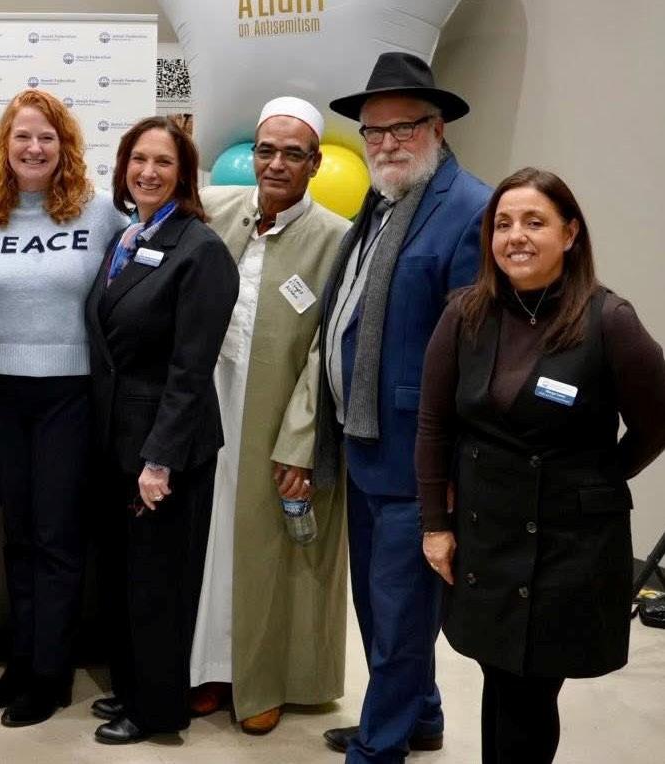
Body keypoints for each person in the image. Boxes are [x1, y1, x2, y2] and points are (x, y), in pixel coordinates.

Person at [416, 168, 665, 763]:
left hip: (568, 546)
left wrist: (601, 477)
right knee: (502, 677)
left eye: (535, 222)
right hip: (485, 536)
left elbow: (658, 422)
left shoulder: (609, 320)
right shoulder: (465, 314)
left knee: (528, 689)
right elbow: (433, 425)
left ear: (570, 234)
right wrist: (434, 524)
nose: (515, 237)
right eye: (502, 224)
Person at [312, 53, 492, 760]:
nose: (386, 142)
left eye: (403, 128)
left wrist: (449, 473)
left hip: (418, 458)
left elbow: (473, 359)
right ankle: (420, 717)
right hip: (365, 445)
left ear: (437, 129)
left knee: (398, 617)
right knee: (381, 605)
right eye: (373, 130)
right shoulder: (381, 204)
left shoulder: (470, 210)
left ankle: (378, 748)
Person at [0, 88, 127, 727]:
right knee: (19, 534)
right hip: (1, 395)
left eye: (47, 138)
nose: (34, 148)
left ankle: (51, 675)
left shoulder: (100, 214)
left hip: (70, 395)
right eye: (22, 136)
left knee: (57, 537)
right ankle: (22, 661)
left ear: (65, 147)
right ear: (5, 145)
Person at [188, 97, 350, 734]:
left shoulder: (337, 239)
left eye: (292, 153)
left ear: (315, 163)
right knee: (208, 542)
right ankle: (208, 668)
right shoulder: (218, 209)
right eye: (266, 150)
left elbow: (326, 350)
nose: (276, 163)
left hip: (278, 417)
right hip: (211, 406)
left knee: (263, 552)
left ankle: (263, 678)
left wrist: (301, 443)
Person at [83, 115, 238, 744]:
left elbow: (190, 370)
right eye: (138, 160)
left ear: (184, 174)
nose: (148, 172)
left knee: (158, 587)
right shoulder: (130, 237)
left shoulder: (201, 250)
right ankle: (131, 691)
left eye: (163, 162)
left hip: (164, 449)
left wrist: (159, 461)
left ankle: (158, 710)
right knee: (126, 578)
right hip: (117, 439)